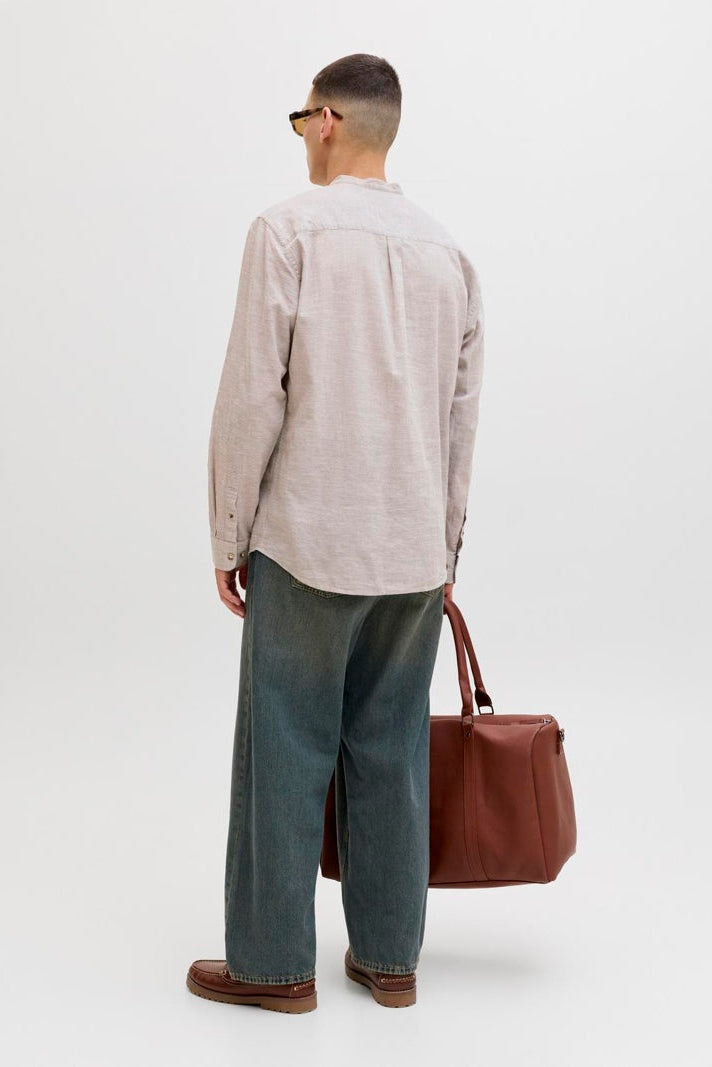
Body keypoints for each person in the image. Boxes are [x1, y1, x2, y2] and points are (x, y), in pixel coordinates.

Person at [186, 52, 485, 1013]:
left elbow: (252, 396)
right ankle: (391, 958)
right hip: (412, 552)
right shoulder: (449, 255)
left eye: (300, 122)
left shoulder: (287, 230)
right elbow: (460, 421)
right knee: (392, 749)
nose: (301, 141)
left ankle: (273, 967)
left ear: (326, 120)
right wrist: (445, 549)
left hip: (310, 537)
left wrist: (230, 533)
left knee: (284, 746)